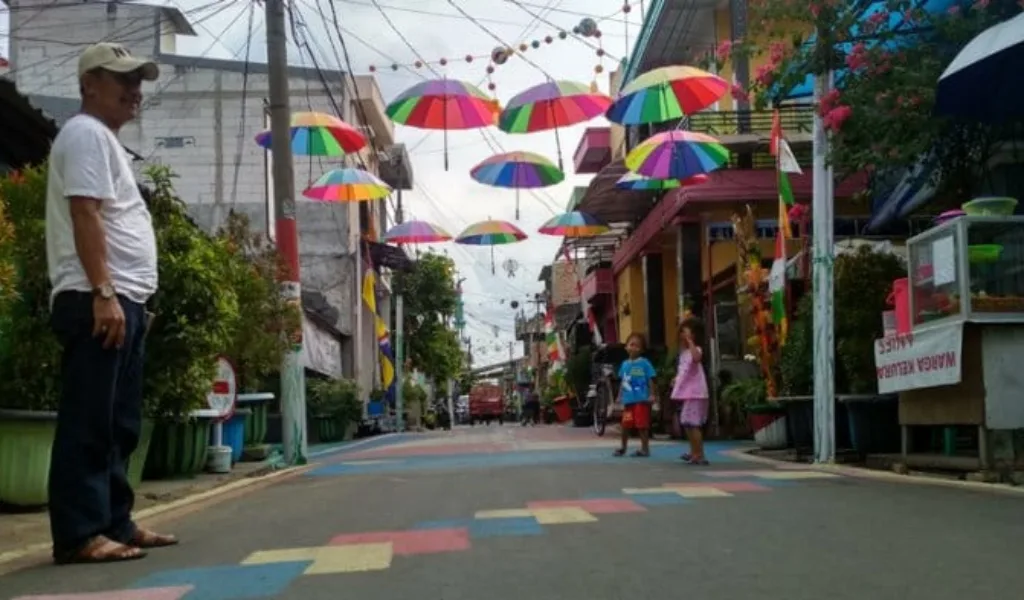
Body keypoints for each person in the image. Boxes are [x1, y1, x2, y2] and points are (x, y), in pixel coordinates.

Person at [45, 42, 176, 565]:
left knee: (119, 421)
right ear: (88, 86)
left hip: (124, 298)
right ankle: (79, 533)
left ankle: (115, 522)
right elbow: (85, 214)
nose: (134, 90)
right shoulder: (83, 134)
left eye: (137, 81)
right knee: (89, 420)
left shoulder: (103, 141)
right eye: (120, 79)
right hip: (95, 296)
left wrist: (135, 297)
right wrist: (104, 291)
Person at [672, 318, 710, 465]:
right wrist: (676, 379)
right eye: (681, 332)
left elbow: (697, 358)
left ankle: (699, 454)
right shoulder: (683, 354)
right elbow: (684, 371)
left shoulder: (695, 350)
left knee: (692, 423)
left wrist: (691, 343)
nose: (682, 334)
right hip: (689, 393)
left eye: (686, 331)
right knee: (687, 423)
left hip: (696, 393)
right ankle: (694, 451)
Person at [614, 333, 657, 457]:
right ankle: (623, 447)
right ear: (626, 347)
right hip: (628, 402)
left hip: (641, 401)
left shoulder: (645, 363)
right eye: (631, 344)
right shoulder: (624, 365)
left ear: (642, 350)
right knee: (625, 425)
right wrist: (619, 395)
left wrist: (652, 394)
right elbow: (623, 381)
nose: (633, 348)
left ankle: (645, 448)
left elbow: (650, 379)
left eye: (637, 346)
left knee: (642, 425)